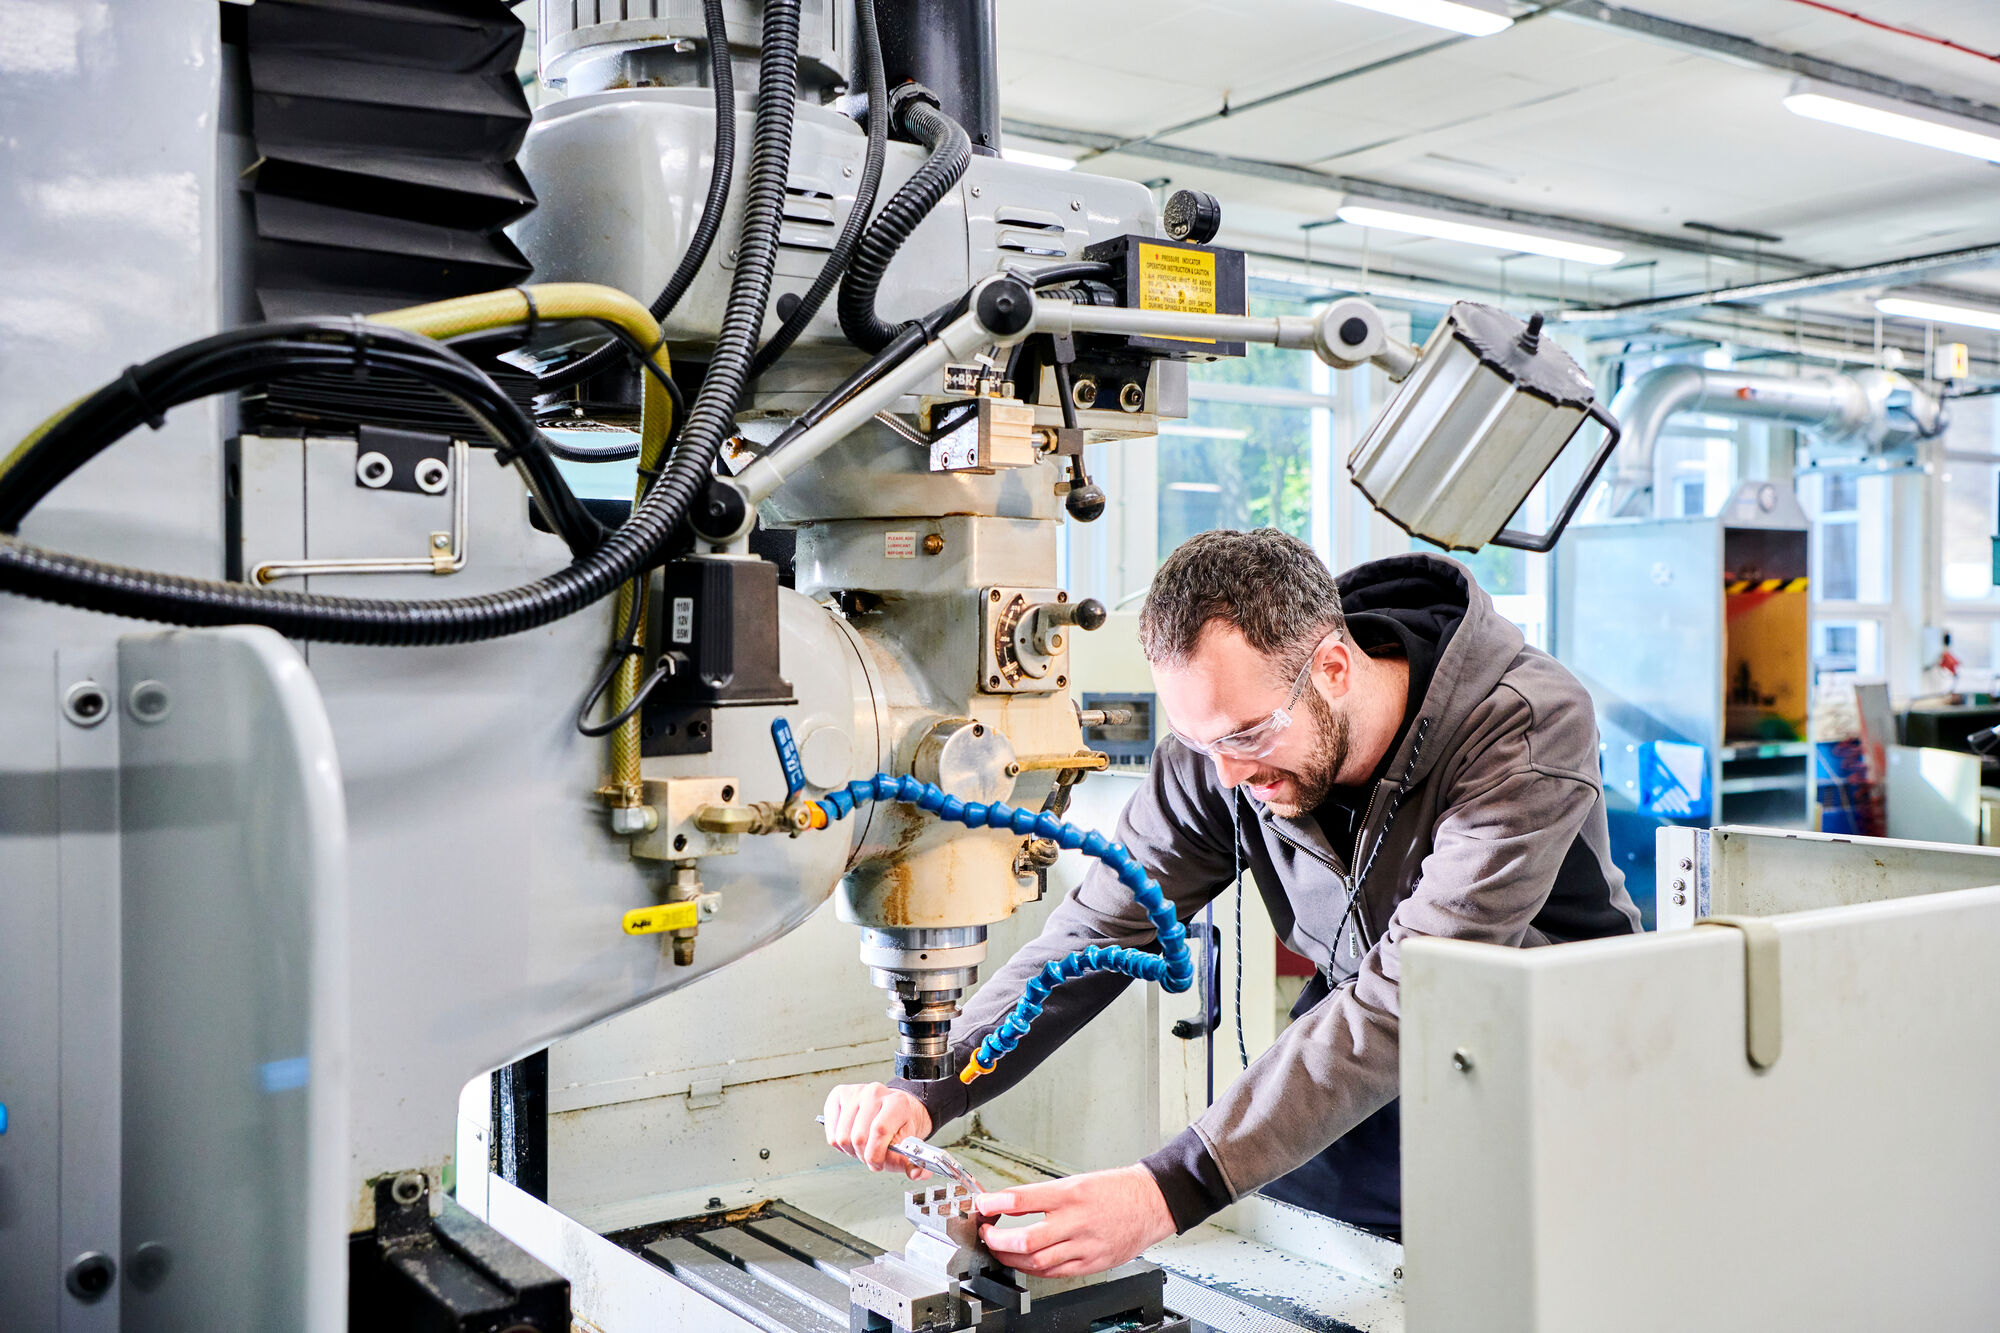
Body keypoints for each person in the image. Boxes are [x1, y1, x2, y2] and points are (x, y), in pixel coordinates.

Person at [822, 530, 1641, 1278]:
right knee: (1324, 1277)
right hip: (1364, 1045)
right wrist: (932, 1081)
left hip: (1551, 1064)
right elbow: (1099, 928)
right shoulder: (1223, 749)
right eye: (1201, 742)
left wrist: (1159, 1193)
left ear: (1333, 667)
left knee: (1515, 1284)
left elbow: (1409, 995)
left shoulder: (1521, 728)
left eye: (1248, 734)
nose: (1226, 777)